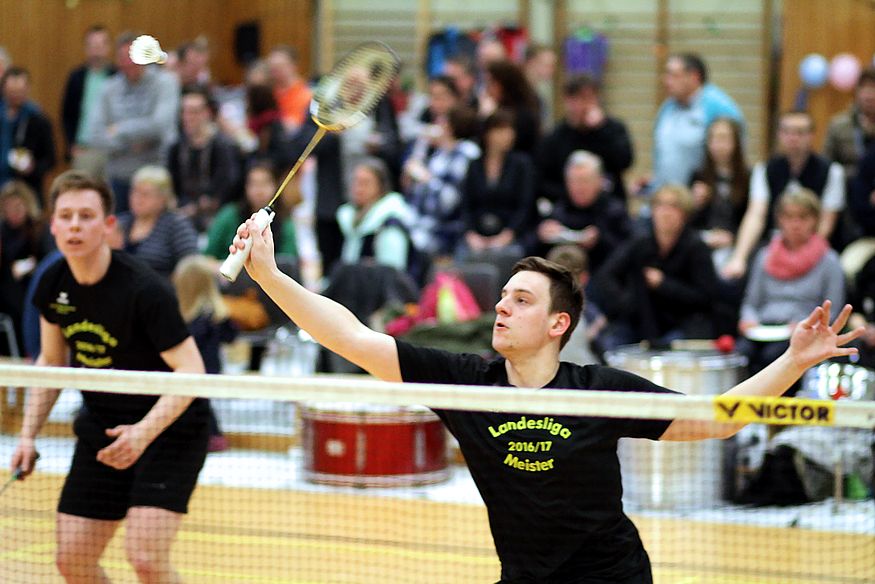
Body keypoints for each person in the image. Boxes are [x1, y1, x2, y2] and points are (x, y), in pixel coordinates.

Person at [228, 211, 861, 583]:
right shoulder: (468, 385)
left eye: (522, 300)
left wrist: (793, 360)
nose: (501, 307)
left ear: (559, 324)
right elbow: (352, 337)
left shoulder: (600, 391)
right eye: (503, 297)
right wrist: (270, 275)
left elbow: (717, 420)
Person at [10, 170, 209, 583]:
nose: (75, 226)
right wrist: (27, 435)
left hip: (168, 431)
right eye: (65, 216)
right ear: (52, 225)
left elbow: (192, 371)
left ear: (108, 225)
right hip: (103, 428)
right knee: (72, 560)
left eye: (86, 216)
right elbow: (52, 362)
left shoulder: (144, 289)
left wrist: (143, 433)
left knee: (145, 557)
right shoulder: (53, 284)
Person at [737, 188, 845, 386]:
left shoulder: (829, 261)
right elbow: (751, 302)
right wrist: (748, 319)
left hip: (801, 332)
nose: (795, 224)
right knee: (740, 355)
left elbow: (834, 310)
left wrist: (809, 326)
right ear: (779, 220)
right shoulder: (764, 256)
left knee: (773, 356)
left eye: (802, 217)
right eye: (789, 217)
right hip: (762, 329)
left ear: (815, 220)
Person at [592, 185, 720, 350]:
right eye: (660, 205)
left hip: (683, 322)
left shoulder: (696, 247)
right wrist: (627, 303)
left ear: (685, 213)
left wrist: (664, 284)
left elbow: (706, 297)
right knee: (609, 344)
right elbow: (606, 275)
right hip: (642, 321)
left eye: (673, 206)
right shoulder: (640, 243)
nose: (665, 213)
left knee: (673, 348)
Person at [724, 110, 846, 279]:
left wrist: (802, 256)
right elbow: (755, 215)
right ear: (780, 135)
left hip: (815, 244)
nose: (793, 138)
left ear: (811, 136)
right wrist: (739, 257)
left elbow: (826, 223)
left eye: (800, 132)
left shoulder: (832, 171)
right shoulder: (764, 169)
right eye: (787, 132)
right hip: (774, 243)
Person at [89, 31, 180, 214]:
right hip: (119, 177)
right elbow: (95, 134)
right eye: (124, 57)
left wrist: (118, 130)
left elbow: (160, 126)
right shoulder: (108, 88)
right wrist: (136, 141)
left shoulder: (166, 83)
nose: (130, 62)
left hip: (155, 174)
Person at [172, 254, 237, 452]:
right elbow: (231, 336)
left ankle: (214, 436)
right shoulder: (214, 315)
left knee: (199, 403)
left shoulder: (199, 319)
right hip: (207, 369)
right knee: (198, 403)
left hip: (201, 371)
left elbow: (230, 335)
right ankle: (211, 435)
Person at [538, 74, 634, 206]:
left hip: (608, 206)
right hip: (569, 209)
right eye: (580, 99)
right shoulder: (555, 137)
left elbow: (625, 161)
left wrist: (601, 129)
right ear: (568, 101)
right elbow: (544, 182)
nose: (585, 106)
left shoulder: (613, 128)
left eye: (590, 98)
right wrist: (576, 192)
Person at [652, 53, 743, 190]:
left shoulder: (718, 106)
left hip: (701, 195)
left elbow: (736, 155)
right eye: (666, 74)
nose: (666, 80)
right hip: (667, 193)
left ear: (694, 77)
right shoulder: (667, 108)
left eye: (673, 75)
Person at [537, 150, 632, 274]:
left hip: (601, 275)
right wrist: (541, 236)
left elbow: (629, 253)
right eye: (573, 181)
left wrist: (599, 241)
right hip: (560, 276)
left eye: (584, 181)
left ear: (599, 181)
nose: (578, 187)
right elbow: (530, 251)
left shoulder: (614, 212)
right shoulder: (558, 209)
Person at [459, 108, 535, 259]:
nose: (508, 135)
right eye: (501, 130)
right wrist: (471, 234)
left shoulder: (522, 165)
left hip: (511, 234)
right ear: (488, 133)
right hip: (478, 233)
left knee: (510, 255)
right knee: (464, 256)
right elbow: (466, 205)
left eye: (510, 130)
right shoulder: (474, 165)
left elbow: (525, 206)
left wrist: (508, 234)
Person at [166, 85, 241, 232]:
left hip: (216, 216)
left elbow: (227, 186)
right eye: (185, 112)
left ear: (207, 113)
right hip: (183, 212)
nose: (188, 118)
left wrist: (199, 206)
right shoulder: (176, 147)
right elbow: (173, 183)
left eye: (194, 112)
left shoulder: (223, 147)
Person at [689, 117, 751, 271]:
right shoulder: (699, 175)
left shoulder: (748, 177)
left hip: (735, 244)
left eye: (724, 139)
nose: (718, 145)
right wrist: (694, 204)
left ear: (736, 142)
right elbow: (688, 224)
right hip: (703, 241)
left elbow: (751, 219)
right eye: (713, 139)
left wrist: (733, 237)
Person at [116, 165, 199, 279]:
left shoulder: (176, 225)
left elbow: (191, 265)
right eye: (134, 192)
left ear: (163, 199)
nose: (138, 199)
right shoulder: (121, 222)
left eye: (145, 194)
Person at [336, 158, 414, 271]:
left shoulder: (389, 224)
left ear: (380, 187)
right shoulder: (350, 218)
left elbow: (392, 273)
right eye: (356, 182)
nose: (358, 189)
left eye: (365, 183)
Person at [60, 24, 115, 167]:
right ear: (86, 48)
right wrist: (71, 143)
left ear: (108, 47)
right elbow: (67, 114)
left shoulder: (117, 76)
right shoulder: (76, 77)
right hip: (84, 148)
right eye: (93, 46)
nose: (97, 50)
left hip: (112, 149)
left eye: (100, 45)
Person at [0, 66, 56, 199]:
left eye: (19, 91)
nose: (15, 95)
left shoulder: (39, 119)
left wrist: (33, 168)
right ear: (3, 90)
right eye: (12, 91)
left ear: (27, 89)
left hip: (25, 188)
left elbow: (50, 159)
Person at [823, 67, 875, 183]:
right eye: (865, 89)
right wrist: (859, 174)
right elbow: (827, 164)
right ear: (856, 92)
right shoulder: (839, 125)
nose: (869, 95)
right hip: (848, 185)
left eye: (873, 89)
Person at [267, 44, 311, 132]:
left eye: (279, 67)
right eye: (272, 68)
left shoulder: (305, 95)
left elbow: (295, 127)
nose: (274, 73)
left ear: (293, 66)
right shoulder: (269, 91)